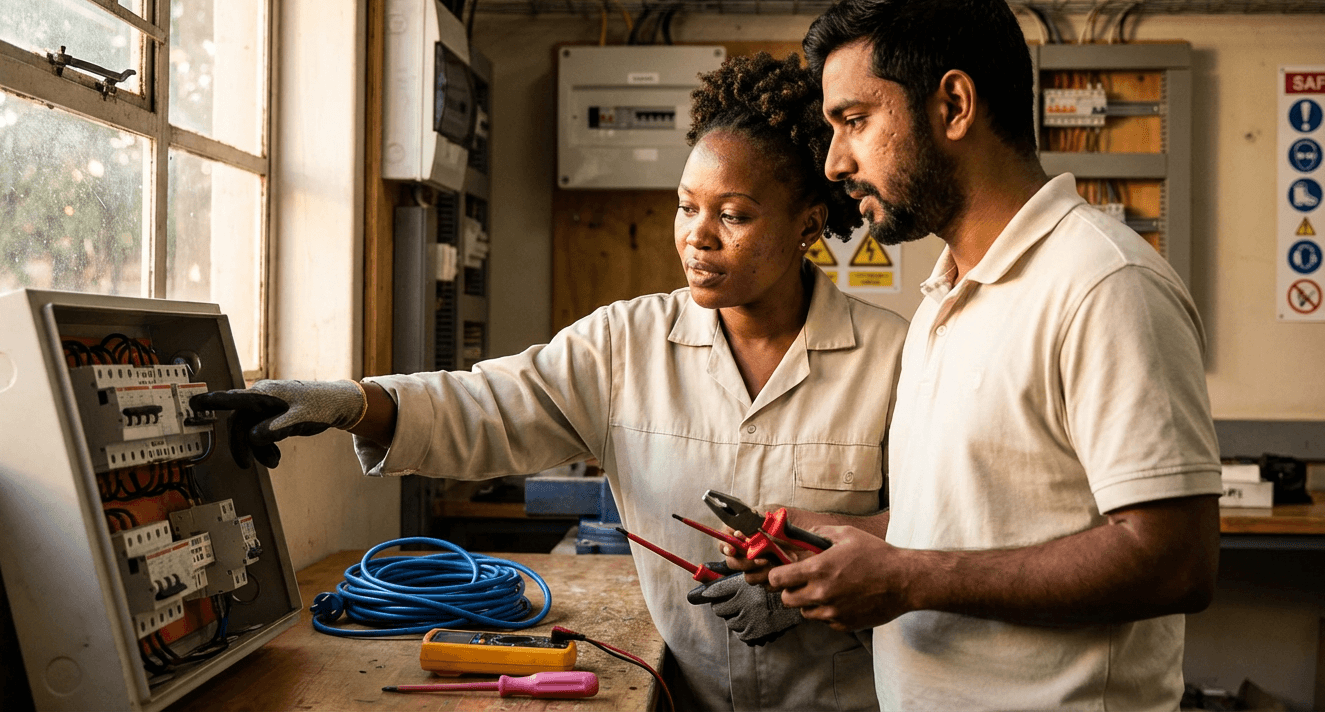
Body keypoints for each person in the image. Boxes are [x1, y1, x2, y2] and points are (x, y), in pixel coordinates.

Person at [194, 52, 908, 711]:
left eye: (734, 215)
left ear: (810, 224)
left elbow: (937, 530)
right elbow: (488, 405)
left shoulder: (891, 357)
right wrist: (352, 403)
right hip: (683, 696)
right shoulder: (626, 342)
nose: (697, 235)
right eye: (687, 206)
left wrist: (814, 589)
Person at [723, 0, 1223, 712]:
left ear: (954, 105)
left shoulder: (1103, 284)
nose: (833, 162)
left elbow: (1174, 560)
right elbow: (965, 522)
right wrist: (840, 538)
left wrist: (908, 579)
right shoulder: (944, 296)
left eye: (854, 121)